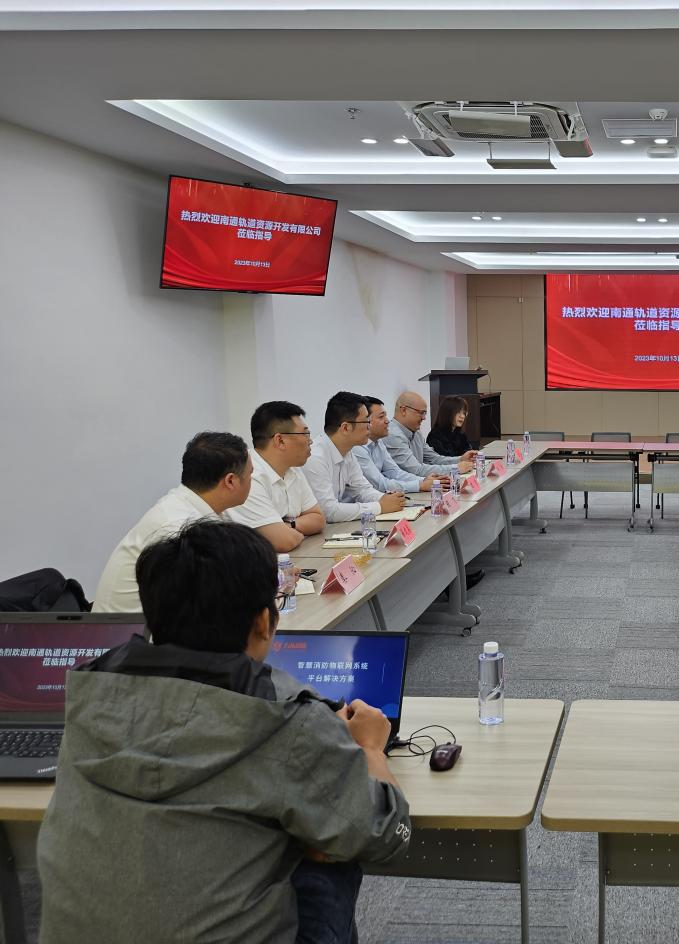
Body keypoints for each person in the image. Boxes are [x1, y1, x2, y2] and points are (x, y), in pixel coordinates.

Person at [39, 520, 411, 944]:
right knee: (332, 846)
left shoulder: (92, 693)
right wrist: (370, 748)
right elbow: (384, 836)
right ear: (263, 622)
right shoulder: (287, 720)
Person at [93, 432, 252, 612]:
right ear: (230, 481)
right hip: (134, 628)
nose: (251, 481)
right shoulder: (177, 528)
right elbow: (208, 603)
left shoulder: (197, 507)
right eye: (250, 474)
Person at [227, 400, 326, 552]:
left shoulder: (292, 468)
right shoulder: (248, 476)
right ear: (280, 440)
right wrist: (289, 530)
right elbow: (284, 541)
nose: (310, 441)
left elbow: (318, 519)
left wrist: (288, 525)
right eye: (305, 434)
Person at [304, 392, 407, 522]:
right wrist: (379, 506)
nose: (370, 426)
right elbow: (328, 511)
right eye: (366, 421)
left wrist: (386, 499)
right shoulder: (315, 458)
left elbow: (362, 490)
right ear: (345, 428)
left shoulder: (347, 452)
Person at [354, 395, 453, 494]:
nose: (387, 420)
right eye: (381, 417)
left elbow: (394, 472)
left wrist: (424, 481)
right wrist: (420, 484)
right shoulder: (357, 447)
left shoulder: (378, 442)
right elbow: (379, 484)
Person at [387, 390, 476, 476]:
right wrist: (455, 468)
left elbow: (434, 459)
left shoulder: (416, 433)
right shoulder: (393, 435)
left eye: (425, 413)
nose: (424, 418)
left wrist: (460, 459)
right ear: (404, 410)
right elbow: (416, 470)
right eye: (421, 413)